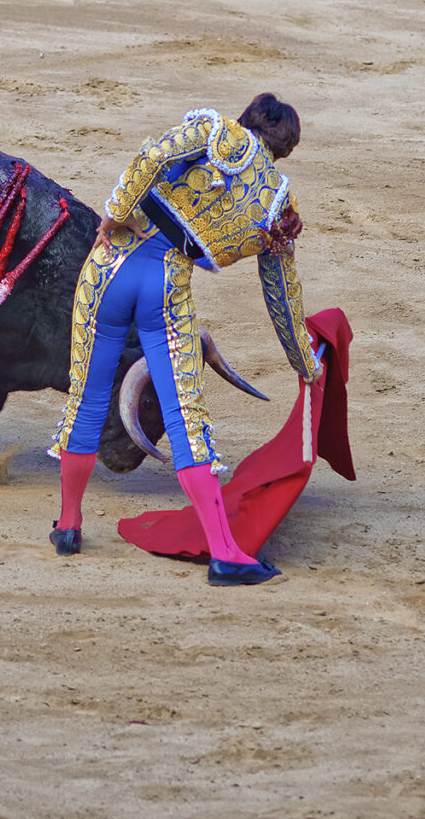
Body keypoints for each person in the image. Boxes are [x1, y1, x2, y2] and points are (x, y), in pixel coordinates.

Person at [50, 97, 321, 588]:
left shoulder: (216, 133)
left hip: (109, 268)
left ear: (249, 120)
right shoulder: (278, 206)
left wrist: (115, 214)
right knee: (184, 416)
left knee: (86, 401)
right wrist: (307, 363)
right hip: (166, 285)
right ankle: (224, 554)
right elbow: (280, 296)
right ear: (286, 148)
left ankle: (68, 525)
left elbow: (152, 156)